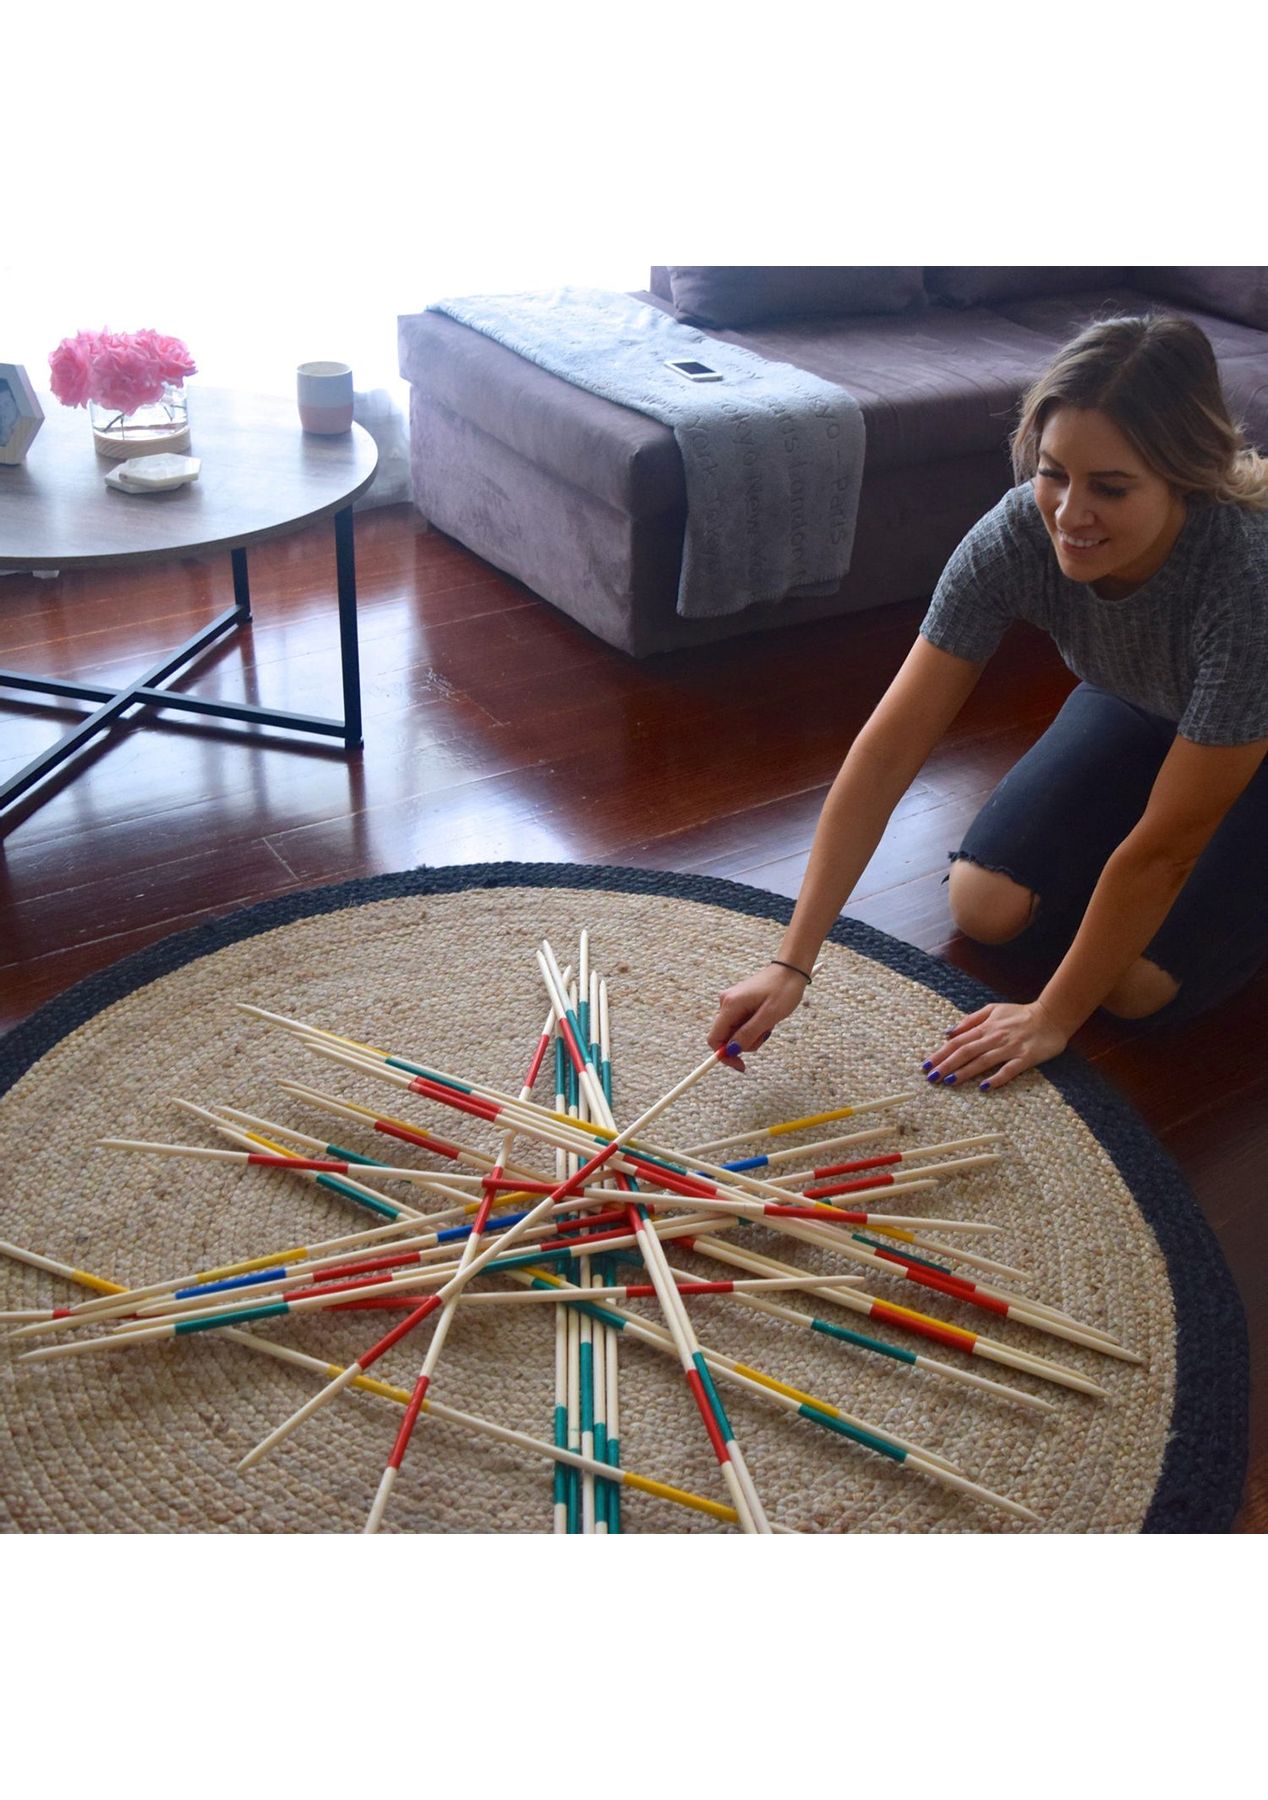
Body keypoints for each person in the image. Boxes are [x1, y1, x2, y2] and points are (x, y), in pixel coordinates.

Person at [707, 314, 1268, 1090]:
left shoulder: (1244, 579)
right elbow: (889, 749)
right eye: (1055, 472)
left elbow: (1164, 848)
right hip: (1139, 703)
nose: (1069, 514)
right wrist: (791, 960)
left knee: (1132, 988)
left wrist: (1051, 1015)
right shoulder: (1018, 533)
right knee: (984, 906)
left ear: (1187, 477)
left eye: (1110, 488)